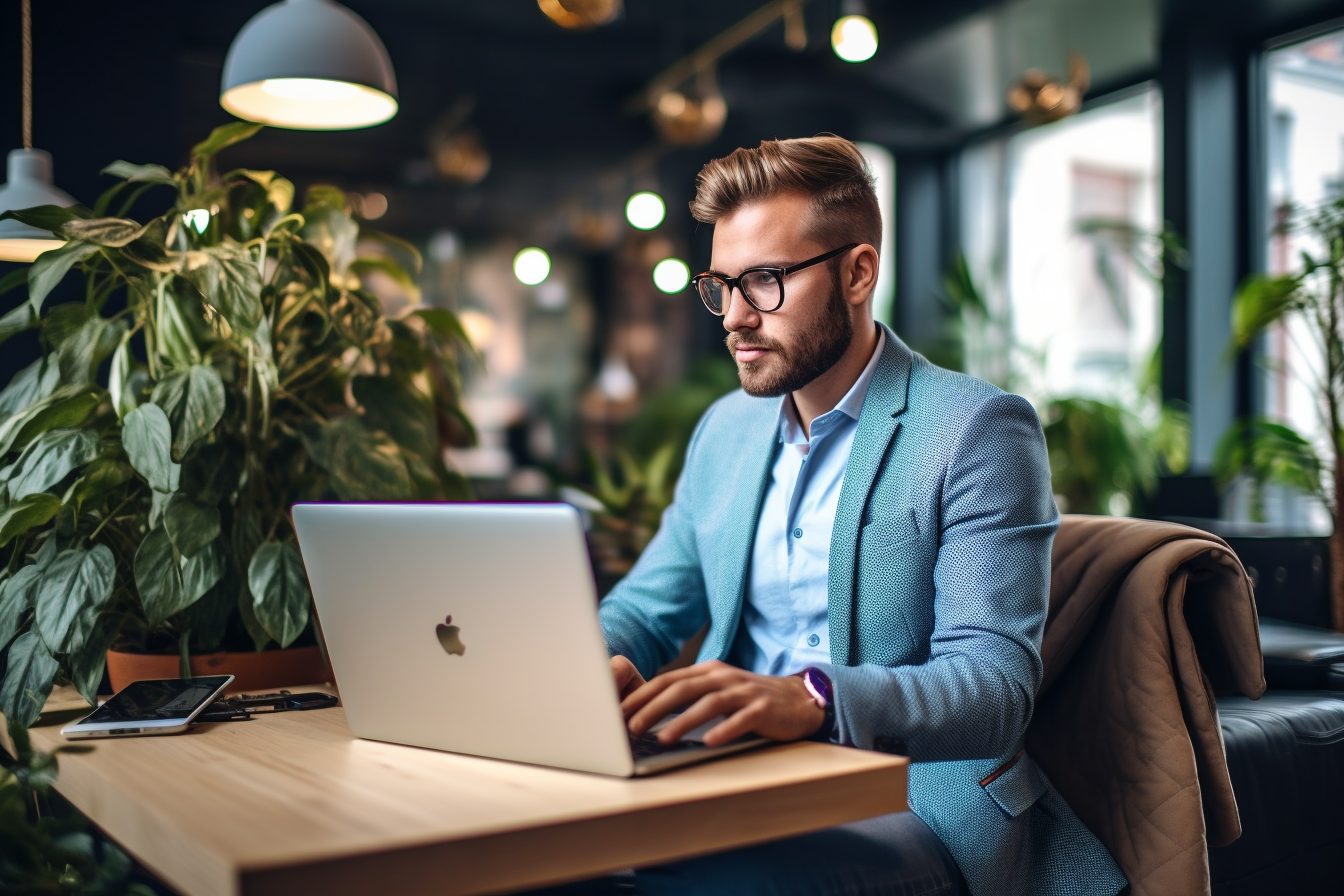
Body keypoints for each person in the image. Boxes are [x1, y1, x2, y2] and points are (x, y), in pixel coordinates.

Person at [595, 136, 1127, 896]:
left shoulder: (977, 428)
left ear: (858, 272)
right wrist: (580, 671)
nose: (736, 318)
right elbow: (646, 612)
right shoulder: (725, 430)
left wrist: (811, 699)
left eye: (768, 281)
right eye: (722, 285)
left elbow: (993, 687)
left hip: (915, 802)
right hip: (733, 778)